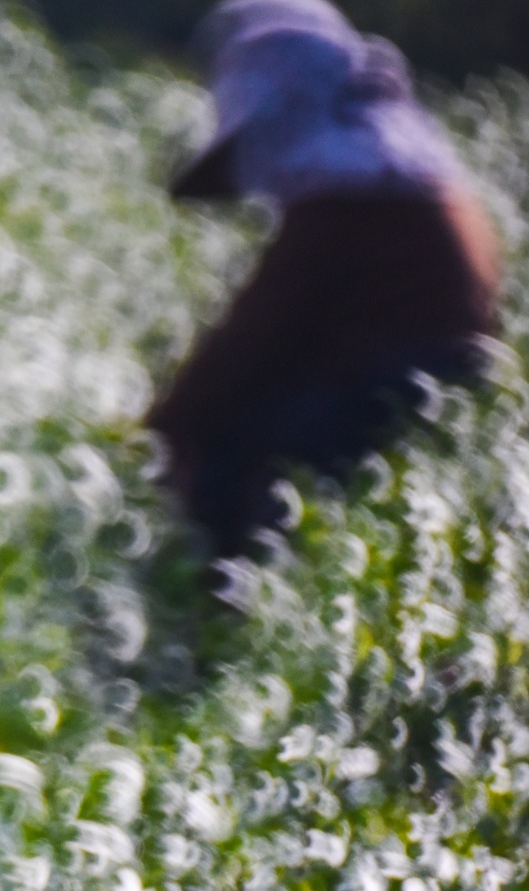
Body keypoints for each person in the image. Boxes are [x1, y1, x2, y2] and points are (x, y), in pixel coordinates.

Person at [148, 0, 502, 566]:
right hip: (441, 417)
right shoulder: (430, 188)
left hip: (378, 412)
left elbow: (249, 343)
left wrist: (152, 438)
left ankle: (222, 599)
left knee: (228, 455)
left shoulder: (350, 207)